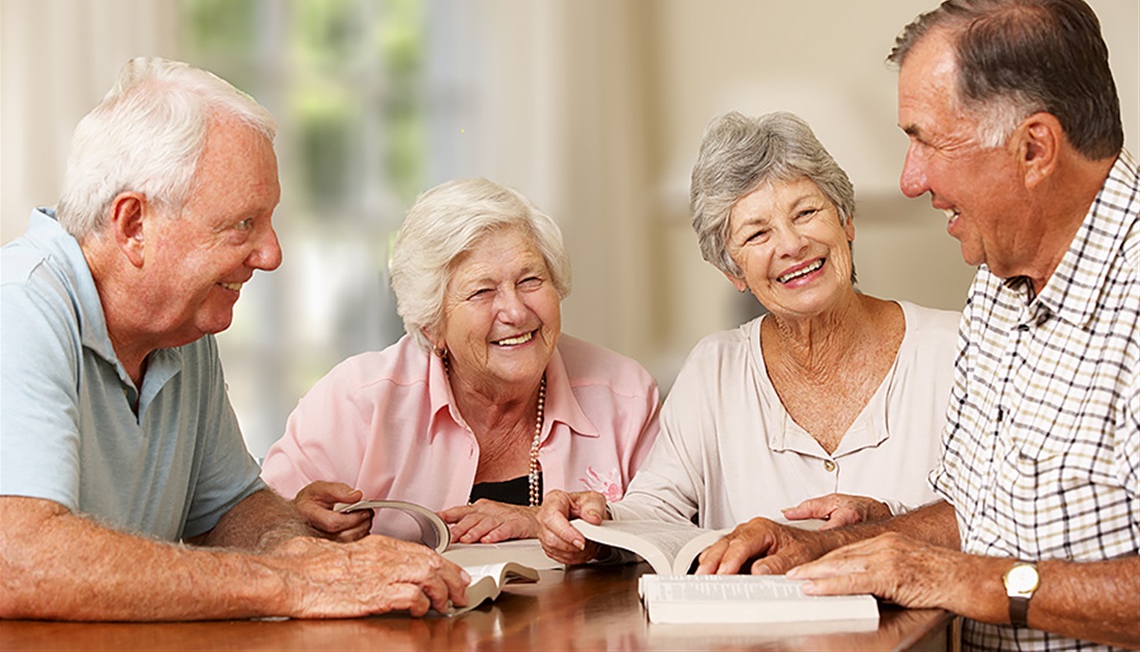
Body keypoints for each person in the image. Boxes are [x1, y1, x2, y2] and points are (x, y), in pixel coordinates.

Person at [691, 0, 1139, 651]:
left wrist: (960, 579)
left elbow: (963, 565)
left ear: (1035, 147)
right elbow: (972, 515)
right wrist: (825, 544)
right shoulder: (997, 279)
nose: (910, 177)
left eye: (927, 141)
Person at [0, 58, 469, 620]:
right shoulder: (19, 308)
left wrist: (295, 548)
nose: (271, 255)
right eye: (243, 225)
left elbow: (231, 508)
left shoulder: (180, 325)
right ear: (133, 226)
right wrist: (291, 580)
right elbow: (19, 558)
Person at [537, 111, 960, 564]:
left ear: (847, 222)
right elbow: (657, 510)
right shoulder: (714, 368)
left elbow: (999, 514)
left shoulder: (954, 348)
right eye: (758, 233)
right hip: (757, 636)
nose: (791, 244)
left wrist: (882, 522)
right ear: (732, 270)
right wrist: (594, 525)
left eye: (807, 212)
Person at [259, 177, 661, 545]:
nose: (516, 312)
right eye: (482, 291)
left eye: (530, 281)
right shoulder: (356, 403)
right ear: (432, 326)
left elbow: (670, 535)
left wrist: (539, 521)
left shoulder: (624, 396)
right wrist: (297, 522)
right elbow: (255, 529)